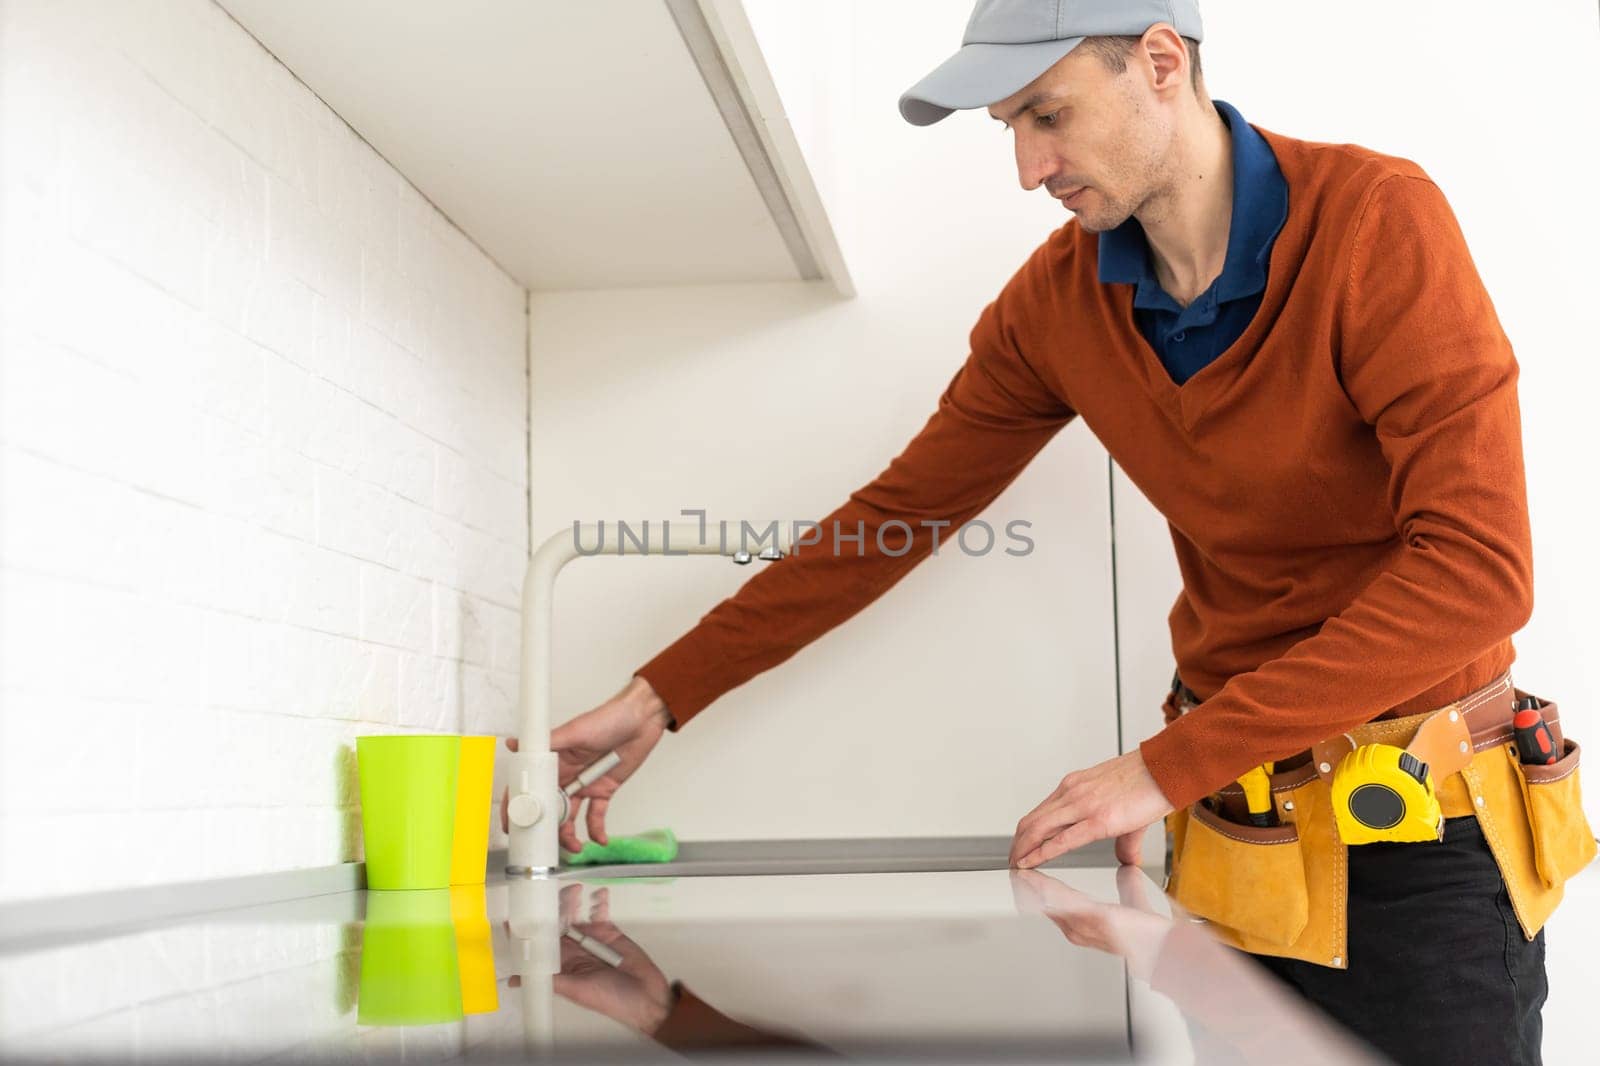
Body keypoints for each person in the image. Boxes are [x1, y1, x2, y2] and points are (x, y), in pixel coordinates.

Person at [506, 2, 1594, 1062]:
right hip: (1232, 834)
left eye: (1046, 114)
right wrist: (664, 692)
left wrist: (1160, 766)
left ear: (1160, 62)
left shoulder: (1374, 221)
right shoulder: (1056, 305)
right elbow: (897, 517)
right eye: (1011, 131)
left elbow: (1478, 573)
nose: (1028, 168)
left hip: (1418, 839)